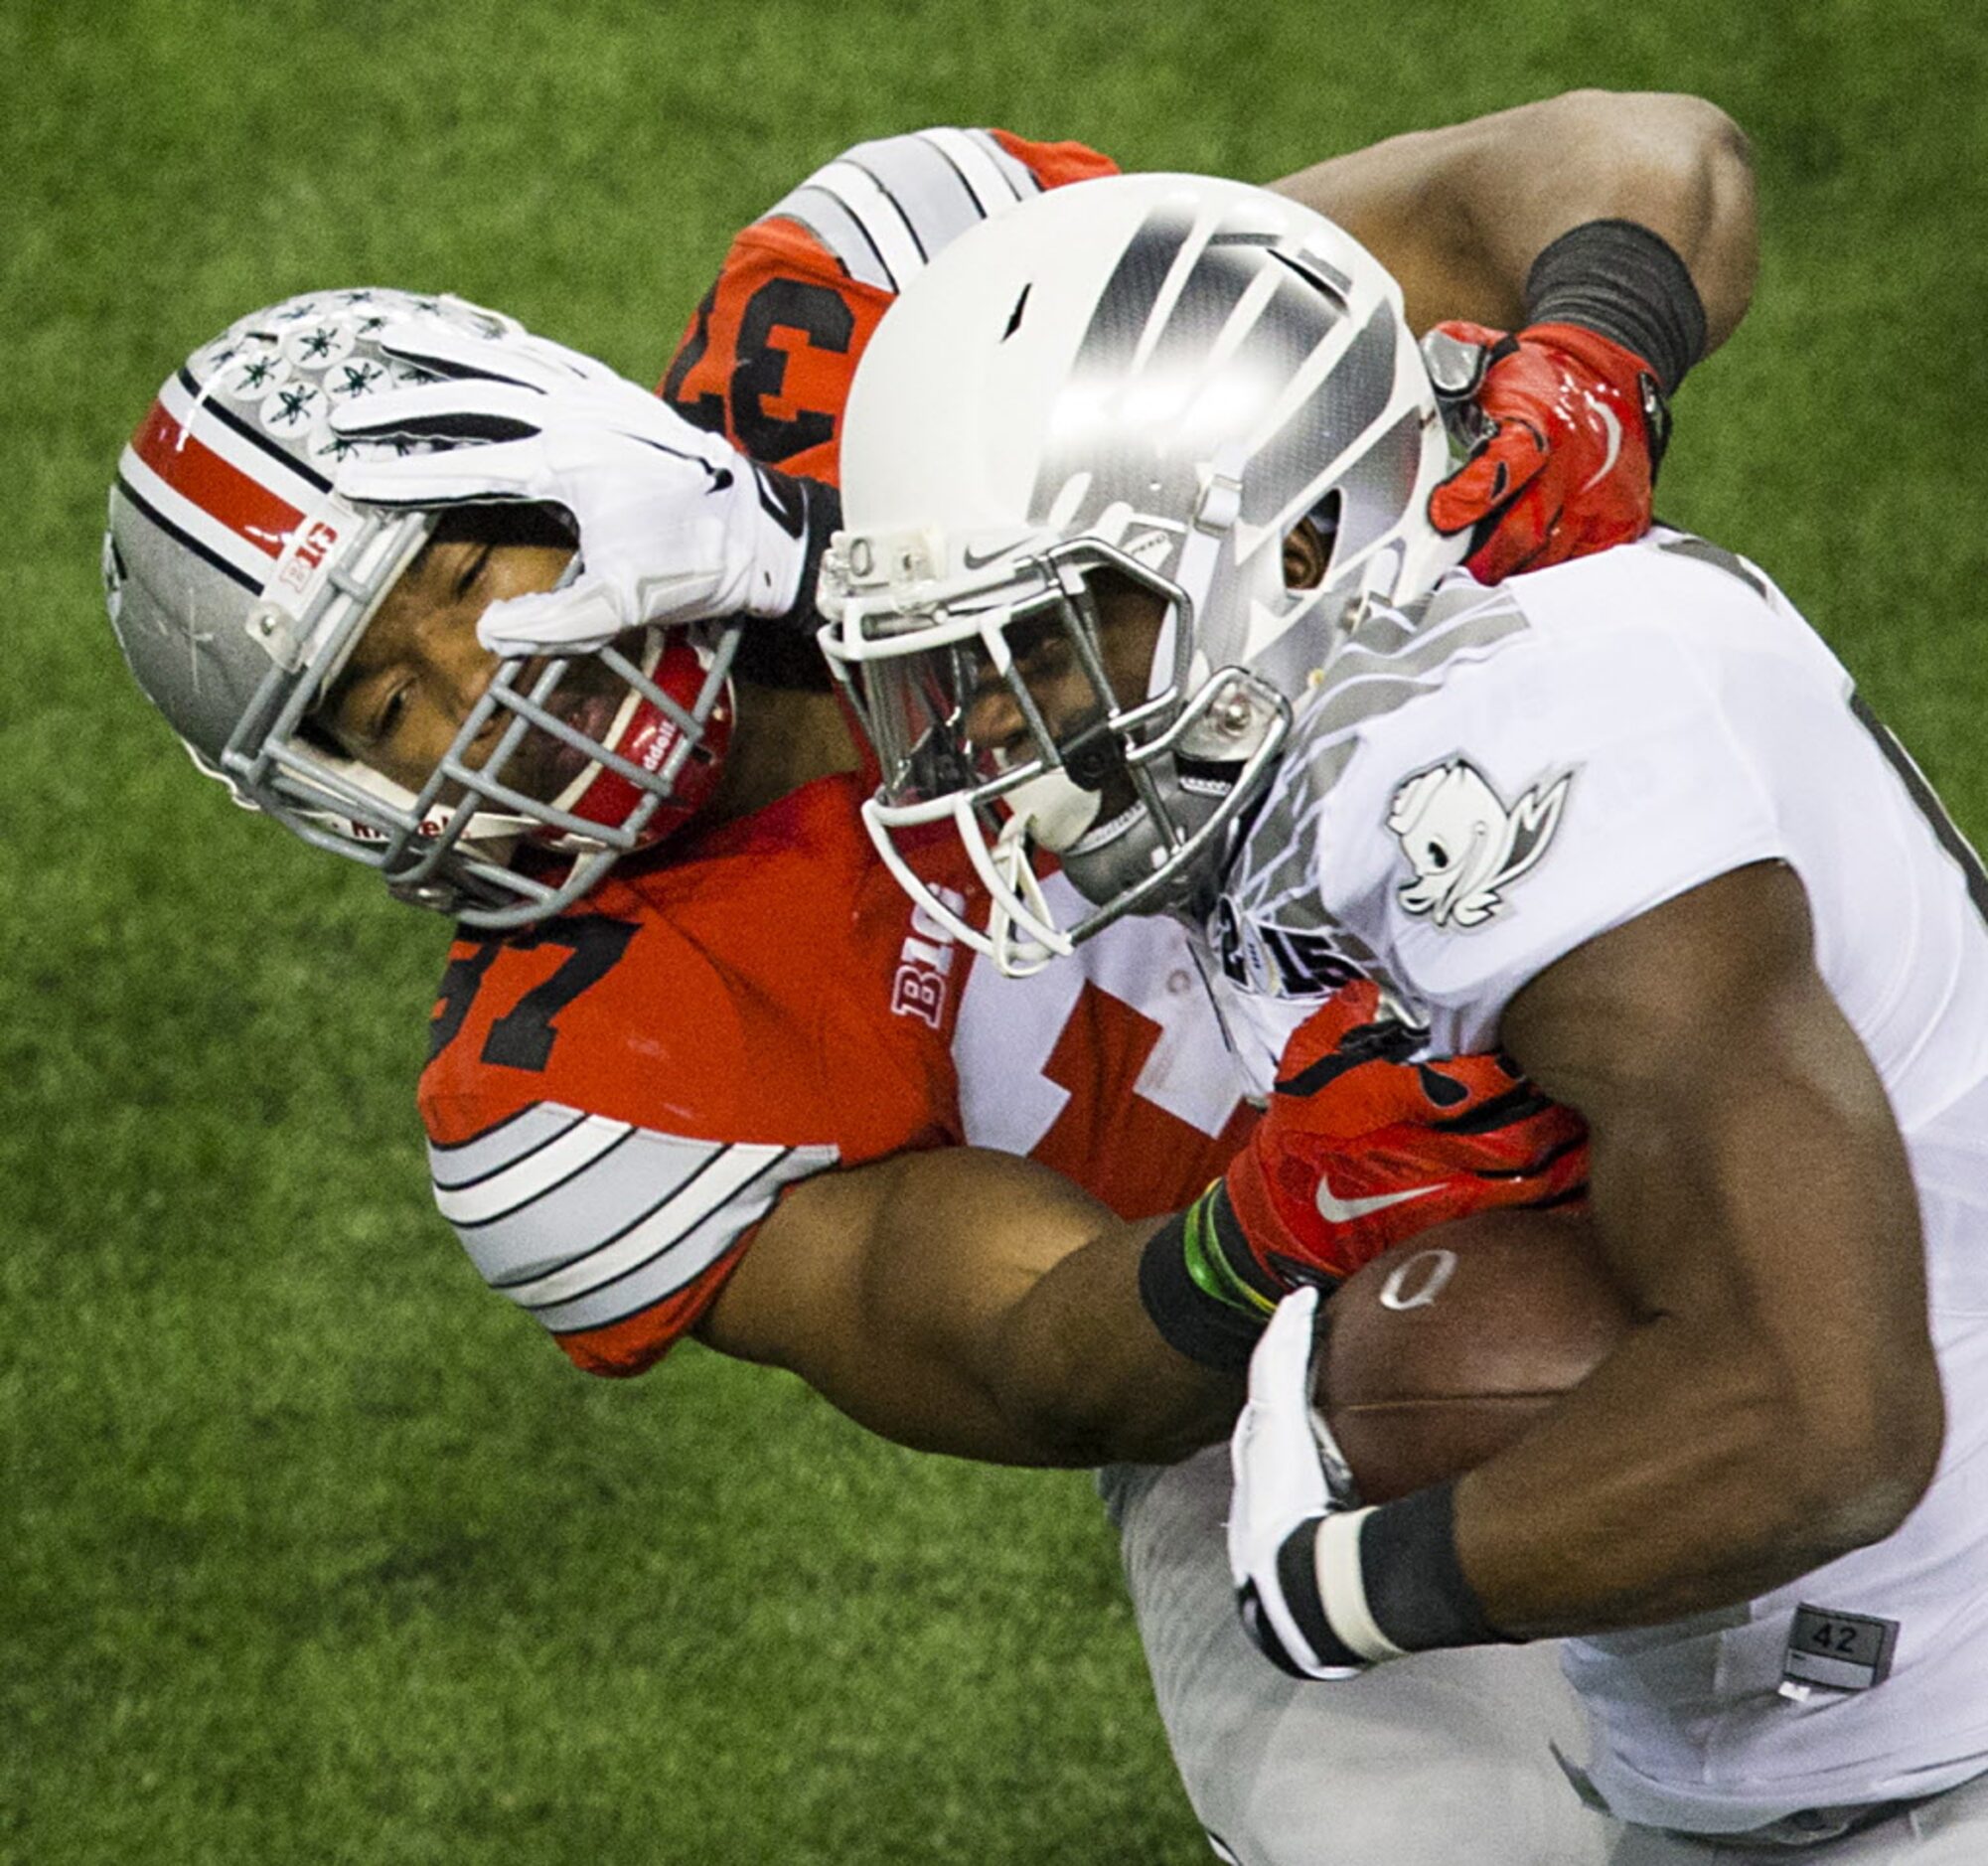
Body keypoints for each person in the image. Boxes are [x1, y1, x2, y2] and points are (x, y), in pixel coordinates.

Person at [104, 101, 1758, 1864]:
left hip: (1622, 945)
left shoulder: (887, 307)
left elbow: (1630, 154)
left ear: (551, 440)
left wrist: (1595, 351)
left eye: (457, 572)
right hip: (1291, 1353)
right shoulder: (567, 1077)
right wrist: (1285, 1213)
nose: (483, 689)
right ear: (342, 803)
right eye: (380, 709)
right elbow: (1024, 1352)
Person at [820, 167, 1987, 1859]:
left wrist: (1343, 1590)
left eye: (1048, 647)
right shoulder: (1313, 721)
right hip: (1784, 1748)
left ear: (1290, 539)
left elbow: (1824, 1424)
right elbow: (1050, 1372)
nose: (1003, 742)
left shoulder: (1505, 743)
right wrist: (1266, 1219)